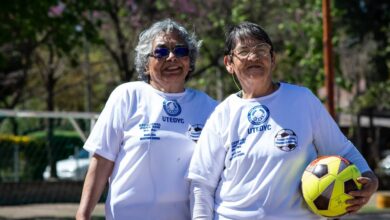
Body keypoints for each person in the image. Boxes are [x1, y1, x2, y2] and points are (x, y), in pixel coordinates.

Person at [187, 22, 378, 220]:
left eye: (261, 49)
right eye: (243, 51)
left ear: (272, 58)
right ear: (229, 63)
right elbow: (202, 184)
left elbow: (344, 151)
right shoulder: (222, 114)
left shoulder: (302, 100)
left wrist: (370, 180)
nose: (254, 57)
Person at [76, 19, 218, 220]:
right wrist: (82, 215)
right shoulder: (127, 96)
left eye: (180, 51)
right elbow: (102, 161)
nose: (171, 58)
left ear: (189, 61)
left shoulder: (211, 108)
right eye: (161, 52)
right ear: (145, 65)